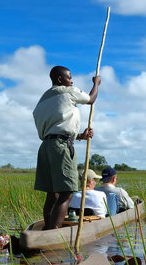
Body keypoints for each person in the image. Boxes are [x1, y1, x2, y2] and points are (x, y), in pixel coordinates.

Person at [33, 65, 101, 229]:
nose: (72, 81)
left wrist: (80, 136)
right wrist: (96, 83)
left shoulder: (43, 100)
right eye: (69, 77)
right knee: (66, 193)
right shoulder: (68, 92)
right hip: (61, 147)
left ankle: (47, 230)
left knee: (53, 194)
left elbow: (56, 126)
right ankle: (53, 233)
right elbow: (91, 99)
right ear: (59, 79)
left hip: (46, 146)